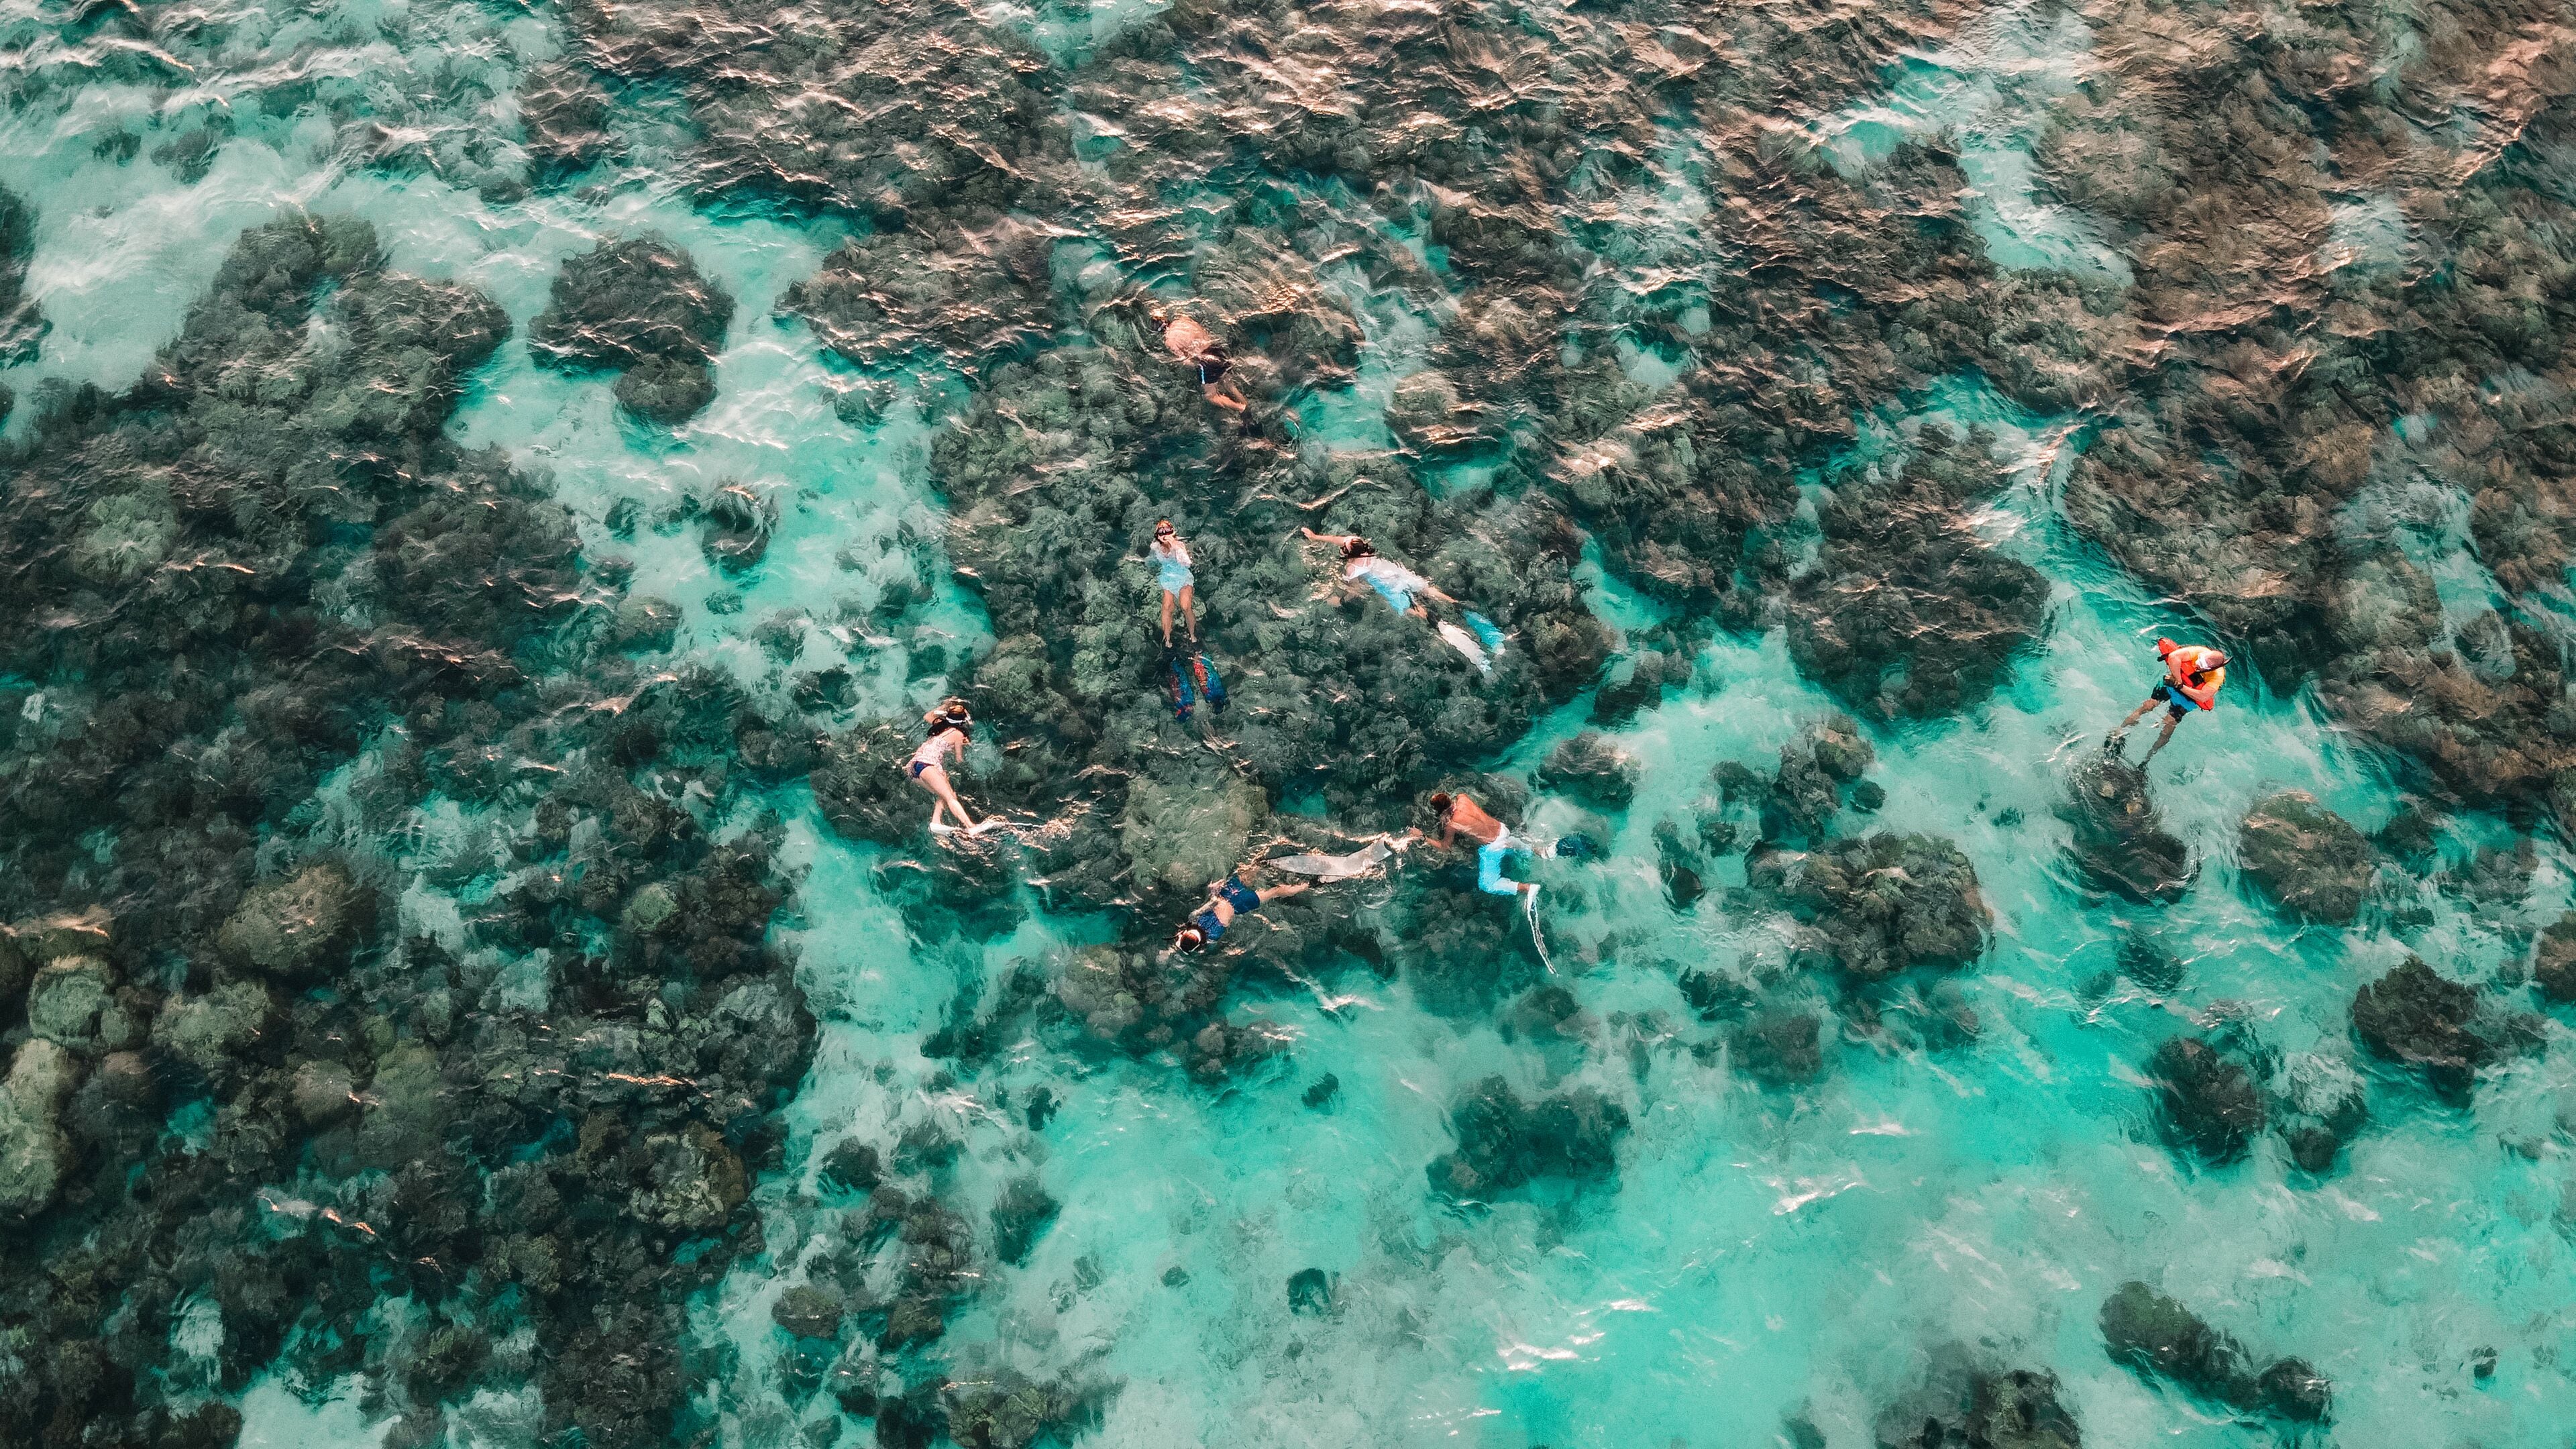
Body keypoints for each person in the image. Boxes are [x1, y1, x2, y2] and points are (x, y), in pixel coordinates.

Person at [1299, 527, 1458, 620]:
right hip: (1394, 571)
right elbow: (1335, 539)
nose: (1341, 548)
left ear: (1351, 554)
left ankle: (1429, 618)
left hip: (1385, 584)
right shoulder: (1357, 542)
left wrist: (1340, 601)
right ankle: (1453, 602)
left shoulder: (1352, 569)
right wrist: (1315, 537)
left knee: (1403, 607)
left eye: (1344, 550)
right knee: (1425, 589)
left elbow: (1355, 591)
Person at [2111, 637, 2229, 761]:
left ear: (2212, 668)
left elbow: (2202, 696)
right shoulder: (2199, 651)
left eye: (2203, 665)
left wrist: (2180, 686)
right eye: (2200, 659)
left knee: (2169, 724)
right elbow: (2174, 657)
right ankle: (2119, 730)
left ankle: (2149, 756)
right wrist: (2177, 681)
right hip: (2173, 682)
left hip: (2188, 697)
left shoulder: (2217, 676)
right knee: (2148, 705)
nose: (2197, 663)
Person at [1430, 792, 1542, 901]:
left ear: (1441, 810)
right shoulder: (1462, 798)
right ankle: (1539, 851)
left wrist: (1422, 837)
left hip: (1494, 846)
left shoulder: (1452, 825)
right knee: (1512, 846)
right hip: (1503, 830)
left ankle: (1526, 888)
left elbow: (1444, 847)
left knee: (1487, 885)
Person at [908, 699, 996, 835]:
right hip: (926, 764)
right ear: (962, 722)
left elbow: (927, 716)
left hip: (914, 767)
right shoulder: (958, 734)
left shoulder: (941, 725)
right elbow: (959, 759)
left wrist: (945, 704)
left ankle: (936, 822)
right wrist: (965, 747)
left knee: (947, 793)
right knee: (950, 797)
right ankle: (971, 827)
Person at [1170, 870, 1311, 952]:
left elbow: (1226, 921)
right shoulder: (1192, 919)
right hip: (1226, 893)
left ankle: (1306, 886)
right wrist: (1213, 892)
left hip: (1240, 905)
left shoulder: (1212, 938)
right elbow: (1212, 903)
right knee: (1253, 869)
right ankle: (1264, 861)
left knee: (1275, 892)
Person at [1146, 302, 1248, 413]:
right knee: (1228, 383)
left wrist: (1198, 368)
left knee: (1211, 397)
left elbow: (1186, 361)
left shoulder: (1169, 341)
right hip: (1217, 349)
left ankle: (1241, 408)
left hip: (1206, 361)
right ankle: (1246, 403)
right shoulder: (1183, 320)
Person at [1150, 519, 1197, 648]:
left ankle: (1193, 634)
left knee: (1185, 606)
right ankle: (1167, 639)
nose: (1164, 533)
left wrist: (1174, 546)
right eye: (1161, 531)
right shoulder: (1155, 547)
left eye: (1167, 530)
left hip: (1183, 579)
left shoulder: (1179, 545)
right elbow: (1151, 560)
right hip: (1167, 579)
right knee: (1167, 606)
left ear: (1173, 532)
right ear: (1157, 535)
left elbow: (1187, 564)